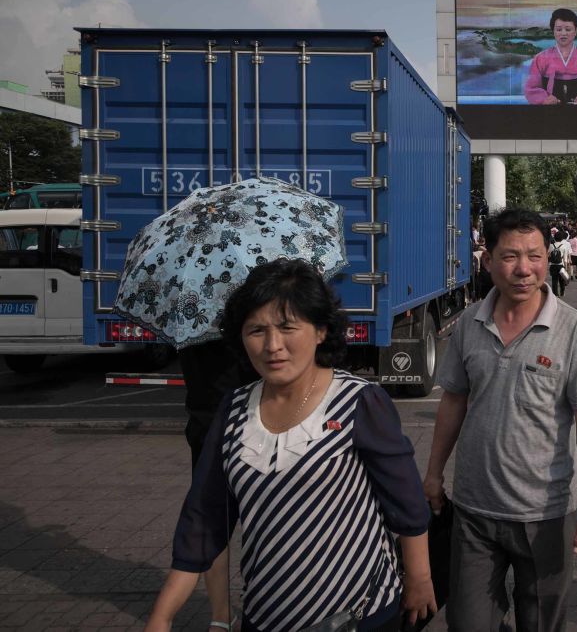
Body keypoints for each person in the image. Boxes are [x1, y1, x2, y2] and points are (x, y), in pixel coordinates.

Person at [147, 259, 436, 631]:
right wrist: (162, 616)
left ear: (320, 331)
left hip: (360, 617)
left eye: (287, 327)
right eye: (256, 330)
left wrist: (419, 579)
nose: (273, 346)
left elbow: (407, 503)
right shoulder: (234, 410)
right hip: (266, 617)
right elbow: (204, 520)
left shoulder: (360, 402)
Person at [423, 208, 577, 632]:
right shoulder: (468, 326)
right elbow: (453, 401)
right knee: (468, 623)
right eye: (510, 256)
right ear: (487, 260)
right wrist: (434, 474)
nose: (523, 268)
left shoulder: (575, 330)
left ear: (548, 258)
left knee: (541, 623)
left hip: (546, 514)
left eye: (534, 255)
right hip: (474, 510)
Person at [176, 341, 258, 632]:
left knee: (214, 522)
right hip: (249, 423)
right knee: (262, 518)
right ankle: (262, 603)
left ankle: (220, 618)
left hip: (203, 426)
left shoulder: (187, 315)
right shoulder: (243, 320)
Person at [523, 8, 577, 105]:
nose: (563, 33)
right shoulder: (540, 58)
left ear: (575, 31)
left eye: (568, 29)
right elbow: (531, 87)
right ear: (553, 31)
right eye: (559, 29)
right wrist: (544, 99)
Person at [548, 230, 572, 298]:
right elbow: (565, 259)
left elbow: (548, 255)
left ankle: (555, 294)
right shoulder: (564, 246)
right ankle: (562, 292)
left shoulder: (551, 246)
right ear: (562, 238)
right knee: (562, 280)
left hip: (552, 265)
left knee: (554, 280)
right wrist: (566, 268)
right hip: (561, 265)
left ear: (554, 238)